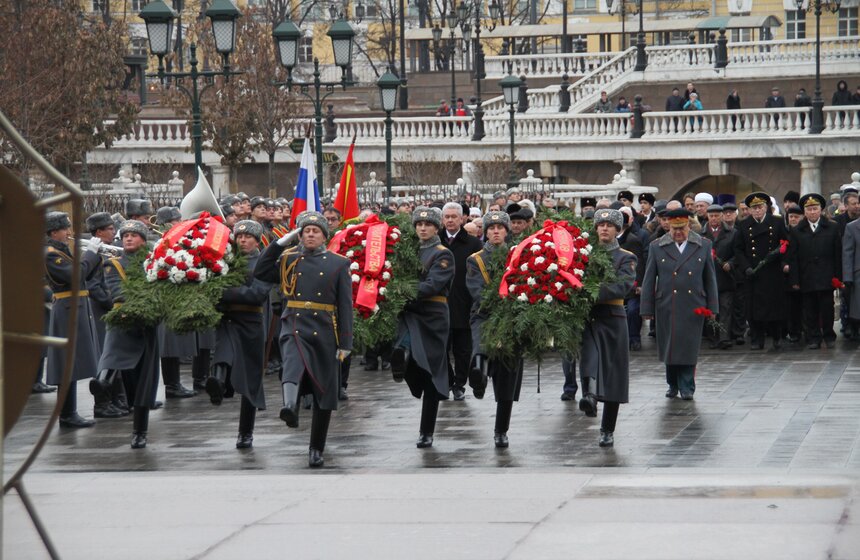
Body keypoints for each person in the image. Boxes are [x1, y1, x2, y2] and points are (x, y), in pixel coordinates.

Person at [255, 212, 352, 468]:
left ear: (324, 236)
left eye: (315, 231)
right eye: (305, 230)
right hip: (294, 322)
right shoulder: (288, 258)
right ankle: (289, 406)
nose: (310, 234)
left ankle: (316, 448)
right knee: (292, 363)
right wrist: (277, 244)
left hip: (324, 328)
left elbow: (345, 305)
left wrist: (346, 343)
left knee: (324, 390)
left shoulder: (338, 263)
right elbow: (261, 271)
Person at [390, 207, 454, 449]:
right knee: (403, 348)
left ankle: (426, 431)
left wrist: (402, 291)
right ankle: (401, 361)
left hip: (433, 317)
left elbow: (433, 285)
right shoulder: (406, 251)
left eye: (428, 224)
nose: (423, 228)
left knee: (431, 375)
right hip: (408, 313)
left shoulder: (443, 253)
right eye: (419, 224)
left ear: (436, 228)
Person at [206, 220, 273, 448]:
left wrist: (224, 292)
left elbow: (256, 294)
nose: (243, 240)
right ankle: (217, 384)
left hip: (251, 322)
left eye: (248, 237)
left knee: (250, 380)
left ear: (257, 240)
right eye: (240, 236)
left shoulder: (264, 262)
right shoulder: (225, 259)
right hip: (227, 319)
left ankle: (246, 432)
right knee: (223, 352)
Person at [641, 208, 718, 400]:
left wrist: (713, 307)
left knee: (688, 346)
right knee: (670, 345)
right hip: (667, 303)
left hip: (694, 304)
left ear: (689, 226)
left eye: (681, 228)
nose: (677, 232)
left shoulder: (703, 245)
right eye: (674, 229)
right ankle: (672, 383)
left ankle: (687, 386)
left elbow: (710, 279)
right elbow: (649, 279)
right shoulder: (657, 246)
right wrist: (646, 309)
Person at [98, 220, 162, 448]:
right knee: (116, 359)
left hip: (147, 326)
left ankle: (139, 431)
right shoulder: (113, 264)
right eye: (125, 235)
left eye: (134, 235)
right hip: (123, 322)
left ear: (143, 240)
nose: (128, 238)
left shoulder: (155, 262)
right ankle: (103, 380)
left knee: (145, 383)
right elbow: (118, 292)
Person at [578, 209, 637, 446]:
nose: (604, 228)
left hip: (613, 315)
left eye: (609, 225)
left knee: (613, 373)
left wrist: (587, 289)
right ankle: (589, 396)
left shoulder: (626, 257)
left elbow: (622, 287)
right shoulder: (584, 254)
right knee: (588, 356)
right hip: (588, 315)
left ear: (618, 230)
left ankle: (607, 429)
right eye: (600, 224)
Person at [466, 211, 524, 447]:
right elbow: (476, 290)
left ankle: (501, 429)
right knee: (481, 346)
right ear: (485, 232)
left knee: (507, 376)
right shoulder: (475, 259)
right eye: (491, 228)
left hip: (511, 318)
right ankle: (478, 374)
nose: (496, 231)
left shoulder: (518, 255)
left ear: (507, 231)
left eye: (500, 227)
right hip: (484, 315)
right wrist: (496, 302)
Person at [44, 211, 102, 428]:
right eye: (65, 228)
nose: (69, 232)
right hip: (67, 310)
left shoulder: (61, 249)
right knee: (67, 364)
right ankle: (67, 414)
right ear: (54, 231)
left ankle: (69, 412)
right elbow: (76, 275)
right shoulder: (50, 254)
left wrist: (93, 255)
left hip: (75, 308)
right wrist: (91, 254)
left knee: (72, 363)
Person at [733, 192, 789, 351]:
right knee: (753, 309)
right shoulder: (744, 225)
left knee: (774, 307)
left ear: (766, 208)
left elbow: (786, 244)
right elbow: (738, 249)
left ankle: (777, 336)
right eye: (754, 208)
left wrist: (781, 259)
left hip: (772, 272)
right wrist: (746, 267)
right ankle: (757, 339)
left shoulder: (777, 222)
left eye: (760, 207)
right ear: (749, 210)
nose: (757, 210)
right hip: (753, 273)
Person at [438, 202, 483, 400]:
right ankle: (447, 381)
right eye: (446, 217)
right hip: (439, 304)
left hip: (464, 303)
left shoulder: (472, 244)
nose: (449, 220)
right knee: (441, 347)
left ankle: (459, 384)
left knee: (463, 349)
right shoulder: (435, 241)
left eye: (453, 217)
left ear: (462, 219)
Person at [84, 212, 126, 419]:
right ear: (99, 232)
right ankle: (101, 404)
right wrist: (113, 304)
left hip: (110, 310)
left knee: (115, 354)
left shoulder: (108, 251)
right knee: (105, 355)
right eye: (110, 229)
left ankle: (116, 399)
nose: (113, 232)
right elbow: (93, 286)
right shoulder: (93, 254)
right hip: (102, 311)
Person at [786, 194, 842, 349]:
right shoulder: (797, 230)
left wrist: (838, 277)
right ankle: (814, 337)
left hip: (826, 275)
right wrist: (795, 280)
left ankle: (829, 335)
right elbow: (794, 257)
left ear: (821, 210)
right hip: (807, 275)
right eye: (809, 209)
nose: (812, 212)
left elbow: (838, 254)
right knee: (810, 309)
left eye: (815, 209)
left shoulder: (832, 227)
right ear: (804, 211)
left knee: (827, 307)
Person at [702, 204, 736, 349]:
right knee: (710, 309)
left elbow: (738, 253)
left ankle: (724, 337)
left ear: (721, 216)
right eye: (711, 216)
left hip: (725, 277)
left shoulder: (732, 233)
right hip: (708, 278)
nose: (714, 219)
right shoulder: (700, 235)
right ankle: (713, 337)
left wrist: (731, 263)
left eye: (717, 215)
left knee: (725, 307)